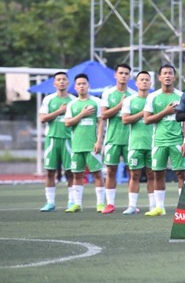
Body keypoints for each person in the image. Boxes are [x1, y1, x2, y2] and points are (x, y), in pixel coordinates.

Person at [143, 65, 185, 216]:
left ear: (174, 77)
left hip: (177, 141)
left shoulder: (182, 96)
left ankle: (183, 208)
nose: (167, 76)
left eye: (170, 73)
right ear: (159, 77)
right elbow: (147, 120)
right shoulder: (152, 97)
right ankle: (159, 207)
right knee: (158, 174)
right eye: (164, 73)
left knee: (181, 174)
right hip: (159, 141)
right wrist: (166, 111)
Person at [64, 74, 105, 213]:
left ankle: (100, 204)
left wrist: (99, 141)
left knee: (97, 174)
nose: (81, 86)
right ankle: (77, 204)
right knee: (77, 175)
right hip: (77, 146)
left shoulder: (96, 102)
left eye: (84, 83)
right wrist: (82, 113)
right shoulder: (72, 104)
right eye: (79, 84)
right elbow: (67, 123)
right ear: (75, 87)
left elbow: (101, 122)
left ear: (88, 85)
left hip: (92, 145)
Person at [100, 63, 136, 214]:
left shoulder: (134, 95)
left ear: (129, 76)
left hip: (130, 140)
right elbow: (103, 115)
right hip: (112, 139)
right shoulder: (108, 93)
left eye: (126, 73)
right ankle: (110, 203)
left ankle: (132, 204)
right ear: (115, 75)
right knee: (111, 171)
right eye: (121, 73)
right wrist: (120, 105)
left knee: (132, 172)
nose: (123, 76)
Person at [39, 72, 76, 212]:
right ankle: (50, 202)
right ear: (54, 83)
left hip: (69, 140)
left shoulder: (74, 100)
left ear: (68, 83)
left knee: (71, 172)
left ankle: (71, 201)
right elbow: (43, 119)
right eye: (58, 80)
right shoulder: (48, 99)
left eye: (64, 79)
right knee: (50, 171)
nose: (61, 82)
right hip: (52, 139)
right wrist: (59, 111)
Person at [121, 71, 155, 214]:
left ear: (151, 83)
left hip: (153, 144)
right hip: (135, 144)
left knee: (152, 175)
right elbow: (125, 120)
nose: (144, 82)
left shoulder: (155, 99)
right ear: (136, 83)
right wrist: (143, 113)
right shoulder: (130, 100)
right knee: (134, 175)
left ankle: (154, 205)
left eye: (147, 80)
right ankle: (132, 206)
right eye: (142, 79)